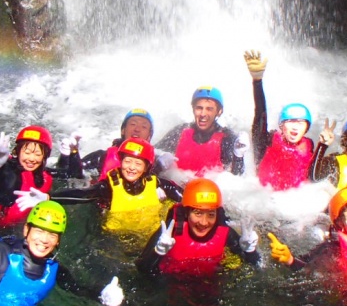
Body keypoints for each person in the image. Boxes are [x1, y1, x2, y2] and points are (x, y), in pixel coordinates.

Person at [49, 137, 184, 243]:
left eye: (138, 163)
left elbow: (187, 198)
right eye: (127, 161)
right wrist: (49, 197)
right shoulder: (109, 186)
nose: (131, 167)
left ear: (147, 167)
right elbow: (83, 194)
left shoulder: (157, 185)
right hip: (114, 240)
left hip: (149, 238)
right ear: (121, 161)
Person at [136, 178, 259, 276]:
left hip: (210, 283)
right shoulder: (171, 229)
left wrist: (250, 252)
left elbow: (255, 267)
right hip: (173, 284)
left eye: (211, 214)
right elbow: (141, 268)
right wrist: (157, 252)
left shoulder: (225, 232)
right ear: (186, 212)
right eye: (198, 213)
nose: (204, 223)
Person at [243, 50, 316, 190]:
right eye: (291, 122)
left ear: (307, 128)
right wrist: (257, 81)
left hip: (293, 204)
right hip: (264, 201)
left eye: (300, 123)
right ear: (281, 126)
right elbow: (260, 115)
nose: (295, 127)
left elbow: (315, 177)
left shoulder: (309, 146)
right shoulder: (266, 141)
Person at [0, 126, 57, 231]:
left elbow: (71, 178)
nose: (32, 159)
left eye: (37, 154)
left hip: (17, 227)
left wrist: (47, 198)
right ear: (18, 152)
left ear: (45, 156)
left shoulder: (46, 176)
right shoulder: (7, 169)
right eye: (27, 153)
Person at [156, 87, 246, 176]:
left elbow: (237, 179)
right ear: (193, 109)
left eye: (209, 109)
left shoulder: (227, 138)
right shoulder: (180, 132)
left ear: (219, 111)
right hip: (179, 188)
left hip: (210, 189)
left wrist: (238, 157)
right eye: (199, 108)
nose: (203, 114)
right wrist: (158, 165)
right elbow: (151, 154)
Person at [60, 108, 157, 180]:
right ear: (123, 130)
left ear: (149, 136)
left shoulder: (157, 164)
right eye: (133, 124)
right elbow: (70, 177)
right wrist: (67, 155)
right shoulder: (101, 157)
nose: (137, 129)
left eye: (144, 127)